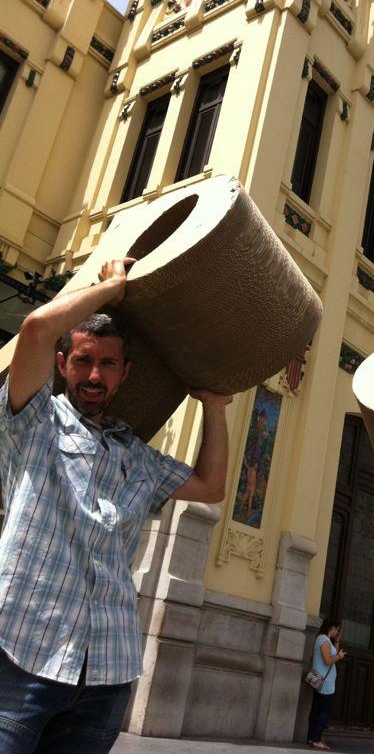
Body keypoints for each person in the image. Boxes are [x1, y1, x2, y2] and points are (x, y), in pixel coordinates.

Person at [0, 258, 231, 753]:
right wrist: (110, 288)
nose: (93, 375)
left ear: (125, 374)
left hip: (107, 671)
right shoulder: (31, 421)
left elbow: (212, 486)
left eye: (107, 364)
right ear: (61, 365)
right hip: (20, 655)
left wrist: (213, 405)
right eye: (82, 360)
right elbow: (36, 328)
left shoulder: (139, 457)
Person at [307, 617, 346, 750]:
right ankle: (316, 739)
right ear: (332, 628)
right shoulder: (323, 640)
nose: (337, 631)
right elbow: (328, 660)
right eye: (337, 629)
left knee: (316, 709)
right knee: (325, 711)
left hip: (321, 680)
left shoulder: (325, 640)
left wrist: (337, 642)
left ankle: (312, 738)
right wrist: (339, 656)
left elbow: (332, 654)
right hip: (324, 682)